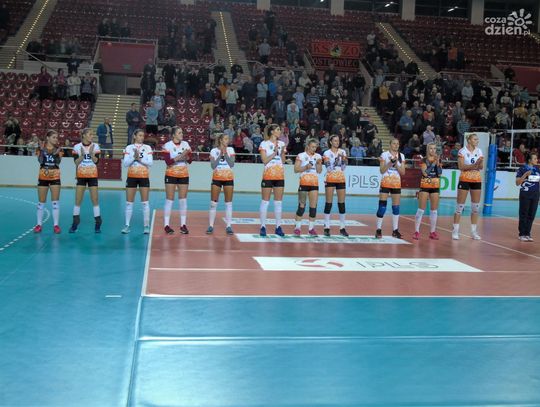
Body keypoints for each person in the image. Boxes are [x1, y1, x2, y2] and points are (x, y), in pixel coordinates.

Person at [69, 128, 102, 233]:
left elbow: (96, 161)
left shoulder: (95, 146)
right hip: (81, 176)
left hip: (92, 175)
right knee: (78, 200)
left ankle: (98, 223)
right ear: (83, 135)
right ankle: (75, 223)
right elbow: (76, 162)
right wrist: (82, 155)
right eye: (90, 134)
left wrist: (91, 154)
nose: (92, 136)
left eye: (92, 134)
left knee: (95, 200)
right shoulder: (77, 147)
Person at [121, 129, 153, 234]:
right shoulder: (129, 147)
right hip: (131, 177)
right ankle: (127, 225)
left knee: (145, 203)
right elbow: (125, 164)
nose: (142, 137)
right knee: (129, 203)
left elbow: (150, 163)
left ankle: (146, 226)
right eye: (139, 135)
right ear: (134, 136)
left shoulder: (147, 147)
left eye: (143, 136)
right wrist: (133, 158)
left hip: (144, 176)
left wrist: (139, 159)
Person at [452, 133, 483, 240]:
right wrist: (474, 165)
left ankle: (474, 232)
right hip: (464, 180)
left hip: (476, 180)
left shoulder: (479, 151)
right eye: (475, 139)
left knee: (475, 208)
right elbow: (461, 167)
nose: (477, 141)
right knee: (459, 207)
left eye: (477, 139)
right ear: (469, 140)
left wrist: (478, 164)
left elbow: (481, 166)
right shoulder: (462, 151)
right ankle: (455, 231)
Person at [259, 124, 287, 237]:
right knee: (265, 201)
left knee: (278, 202)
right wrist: (274, 153)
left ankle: (278, 227)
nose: (280, 131)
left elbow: (283, 160)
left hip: (279, 175)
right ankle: (263, 226)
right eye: (278, 129)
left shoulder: (282, 144)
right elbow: (264, 160)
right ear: (272, 132)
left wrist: (281, 152)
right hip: (268, 175)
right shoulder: (264, 144)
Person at [162, 127, 191, 234]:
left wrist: (183, 157)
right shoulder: (167, 145)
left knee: (183, 200)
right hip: (171, 174)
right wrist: (182, 156)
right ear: (173, 135)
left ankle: (183, 225)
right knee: (169, 199)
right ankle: (166, 225)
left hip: (183, 174)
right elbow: (168, 162)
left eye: (182, 132)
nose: (182, 134)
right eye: (179, 133)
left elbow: (190, 160)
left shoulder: (186, 144)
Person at [375, 138, 405, 239]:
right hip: (385, 183)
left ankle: (395, 230)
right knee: (382, 207)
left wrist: (396, 164)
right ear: (390, 145)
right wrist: (389, 163)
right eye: (394, 143)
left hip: (396, 184)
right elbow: (382, 171)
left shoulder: (401, 156)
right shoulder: (384, 155)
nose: (396, 145)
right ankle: (378, 229)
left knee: (396, 207)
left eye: (397, 144)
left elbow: (403, 172)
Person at [34, 130, 63, 234]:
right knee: (41, 202)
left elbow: (58, 162)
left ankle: (56, 225)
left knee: (55, 203)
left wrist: (56, 154)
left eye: (57, 137)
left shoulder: (59, 149)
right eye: (54, 137)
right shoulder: (40, 148)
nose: (56, 139)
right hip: (43, 177)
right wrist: (42, 151)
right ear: (48, 138)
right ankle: (39, 225)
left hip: (55, 177)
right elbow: (40, 161)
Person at [413, 143, 443, 240]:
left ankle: (432, 232)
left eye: (434, 149)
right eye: (431, 148)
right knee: (421, 209)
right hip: (425, 185)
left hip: (435, 185)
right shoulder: (423, 160)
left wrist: (437, 163)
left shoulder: (438, 160)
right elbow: (425, 173)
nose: (433, 150)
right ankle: (416, 231)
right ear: (427, 149)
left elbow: (439, 174)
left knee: (434, 210)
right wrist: (433, 163)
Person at [207, 133, 235, 235]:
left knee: (228, 203)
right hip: (217, 178)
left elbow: (231, 164)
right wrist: (220, 154)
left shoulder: (231, 150)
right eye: (226, 139)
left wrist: (225, 153)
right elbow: (213, 166)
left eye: (228, 139)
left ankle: (229, 226)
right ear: (221, 140)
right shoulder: (213, 151)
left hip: (228, 178)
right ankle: (211, 226)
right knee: (213, 203)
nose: (228, 140)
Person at [294, 138, 323, 236]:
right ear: (308, 146)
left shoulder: (318, 156)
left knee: (313, 207)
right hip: (304, 183)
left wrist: (319, 163)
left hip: (314, 184)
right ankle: (297, 228)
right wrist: (305, 167)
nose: (314, 149)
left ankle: (311, 229)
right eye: (312, 147)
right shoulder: (301, 155)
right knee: (301, 206)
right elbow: (296, 169)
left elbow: (319, 171)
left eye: (315, 147)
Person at [323, 134, 349, 237]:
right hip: (330, 178)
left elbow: (343, 168)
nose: (337, 142)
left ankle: (342, 227)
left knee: (341, 203)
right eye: (335, 141)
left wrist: (343, 160)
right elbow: (329, 168)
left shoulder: (342, 152)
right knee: (329, 203)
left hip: (340, 178)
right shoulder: (326, 153)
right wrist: (337, 160)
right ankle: (326, 227)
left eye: (338, 141)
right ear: (330, 142)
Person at [515, 153, 539, 241]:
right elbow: (517, 183)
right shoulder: (522, 169)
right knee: (524, 214)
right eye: (535, 158)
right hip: (525, 194)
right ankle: (521, 234)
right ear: (529, 160)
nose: (537, 160)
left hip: (535, 195)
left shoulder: (537, 169)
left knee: (531, 215)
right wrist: (525, 175)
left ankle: (527, 234)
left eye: (536, 158)